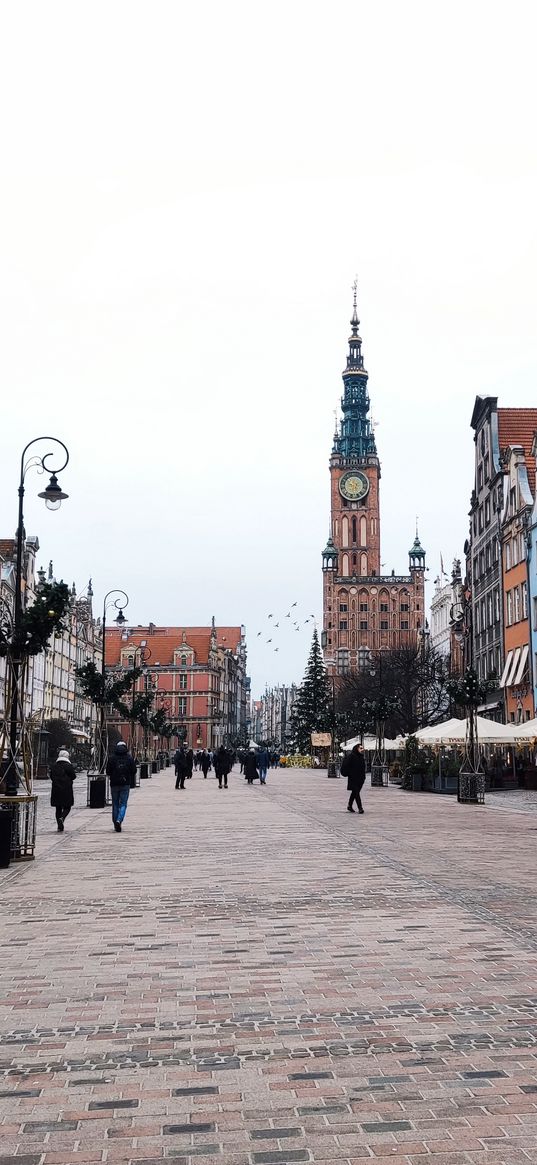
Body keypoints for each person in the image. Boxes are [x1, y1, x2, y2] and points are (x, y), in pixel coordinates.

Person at [106, 740, 137, 832]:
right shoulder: (129, 758)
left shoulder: (111, 758)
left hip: (114, 784)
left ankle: (115, 822)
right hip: (125, 783)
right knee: (123, 803)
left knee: (115, 804)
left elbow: (108, 771)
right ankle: (119, 820)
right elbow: (134, 770)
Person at [49, 747, 77, 832]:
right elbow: (73, 776)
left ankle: (59, 825)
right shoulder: (68, 766)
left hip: (56, 789)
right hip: (66, 789)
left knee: (58, 807)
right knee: (67, 806)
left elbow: (51, 776)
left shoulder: (54, 766)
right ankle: (62, 818)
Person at [341, 743, 366, 814]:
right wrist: (349, 773)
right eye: (360, 748)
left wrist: (363, 777)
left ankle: (349, 805)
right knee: (356, 792)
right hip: (353, 778)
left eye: (362, 748)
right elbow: (346, 765)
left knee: (355, 792)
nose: (362, 749)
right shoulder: (351, 756)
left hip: (360, 778)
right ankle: (360, 808)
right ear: (356, 748)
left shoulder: (361, 757)